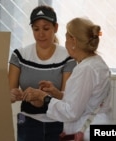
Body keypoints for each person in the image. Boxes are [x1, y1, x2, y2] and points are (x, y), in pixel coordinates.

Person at [22, 17, 112, 141]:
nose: (65, 43)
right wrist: (57, 94)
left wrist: (43, 97)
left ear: (73, 41)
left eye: (66, 38)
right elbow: (82, 99)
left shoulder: (85, 69)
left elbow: (71, 112)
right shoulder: (96, 63)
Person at [8, 5, 77, 141]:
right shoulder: (20, 55)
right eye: (36, 29)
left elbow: (67, 99)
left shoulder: (68, 57)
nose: (41, 34)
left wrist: (44, 97)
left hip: (57, 124)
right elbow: (7, 96)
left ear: (55, 28)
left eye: (46, 28)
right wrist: (13, 95)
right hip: (27, 122)